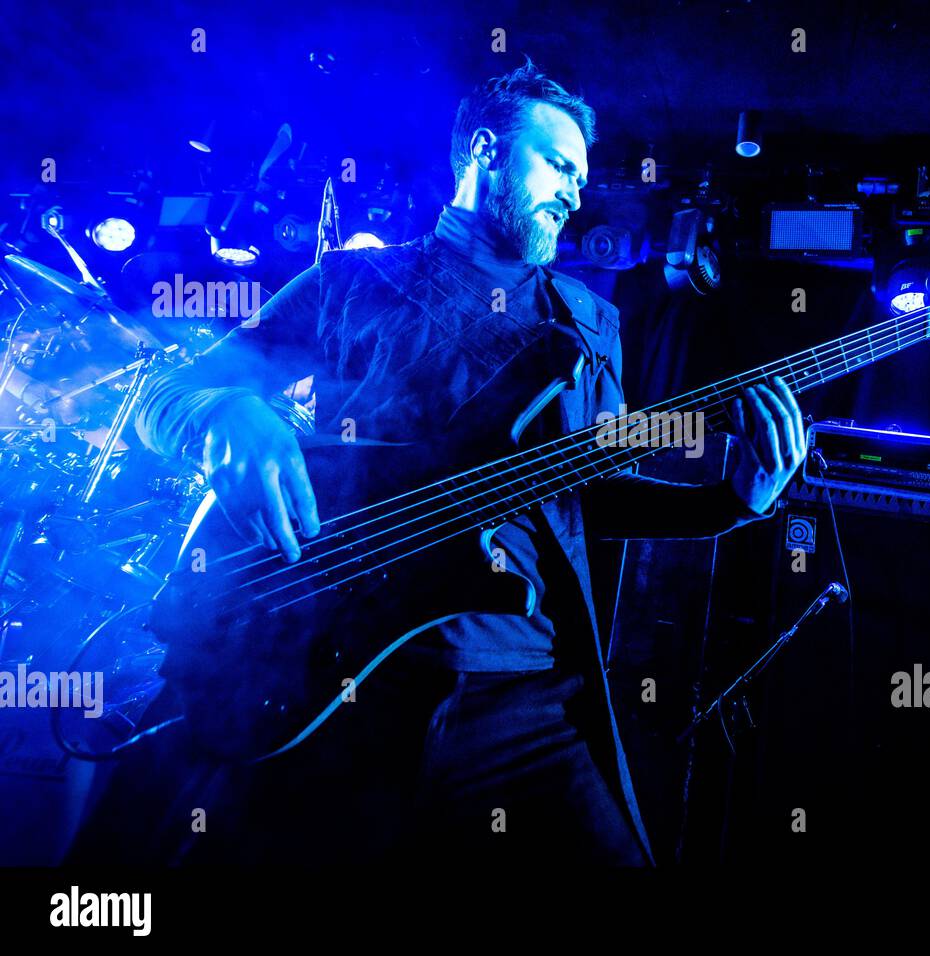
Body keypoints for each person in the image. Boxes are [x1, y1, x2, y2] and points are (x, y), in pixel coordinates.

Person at [68, 57, 806, 867]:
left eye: (581, 176)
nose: (574, 191)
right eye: (556, 164)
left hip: (523, 688)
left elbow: (586, 492)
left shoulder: (591, 323)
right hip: (344, 670)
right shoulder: (356, 279)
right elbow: (166, 395)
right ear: (484, 150)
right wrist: (225, 412)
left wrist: (730, 501)